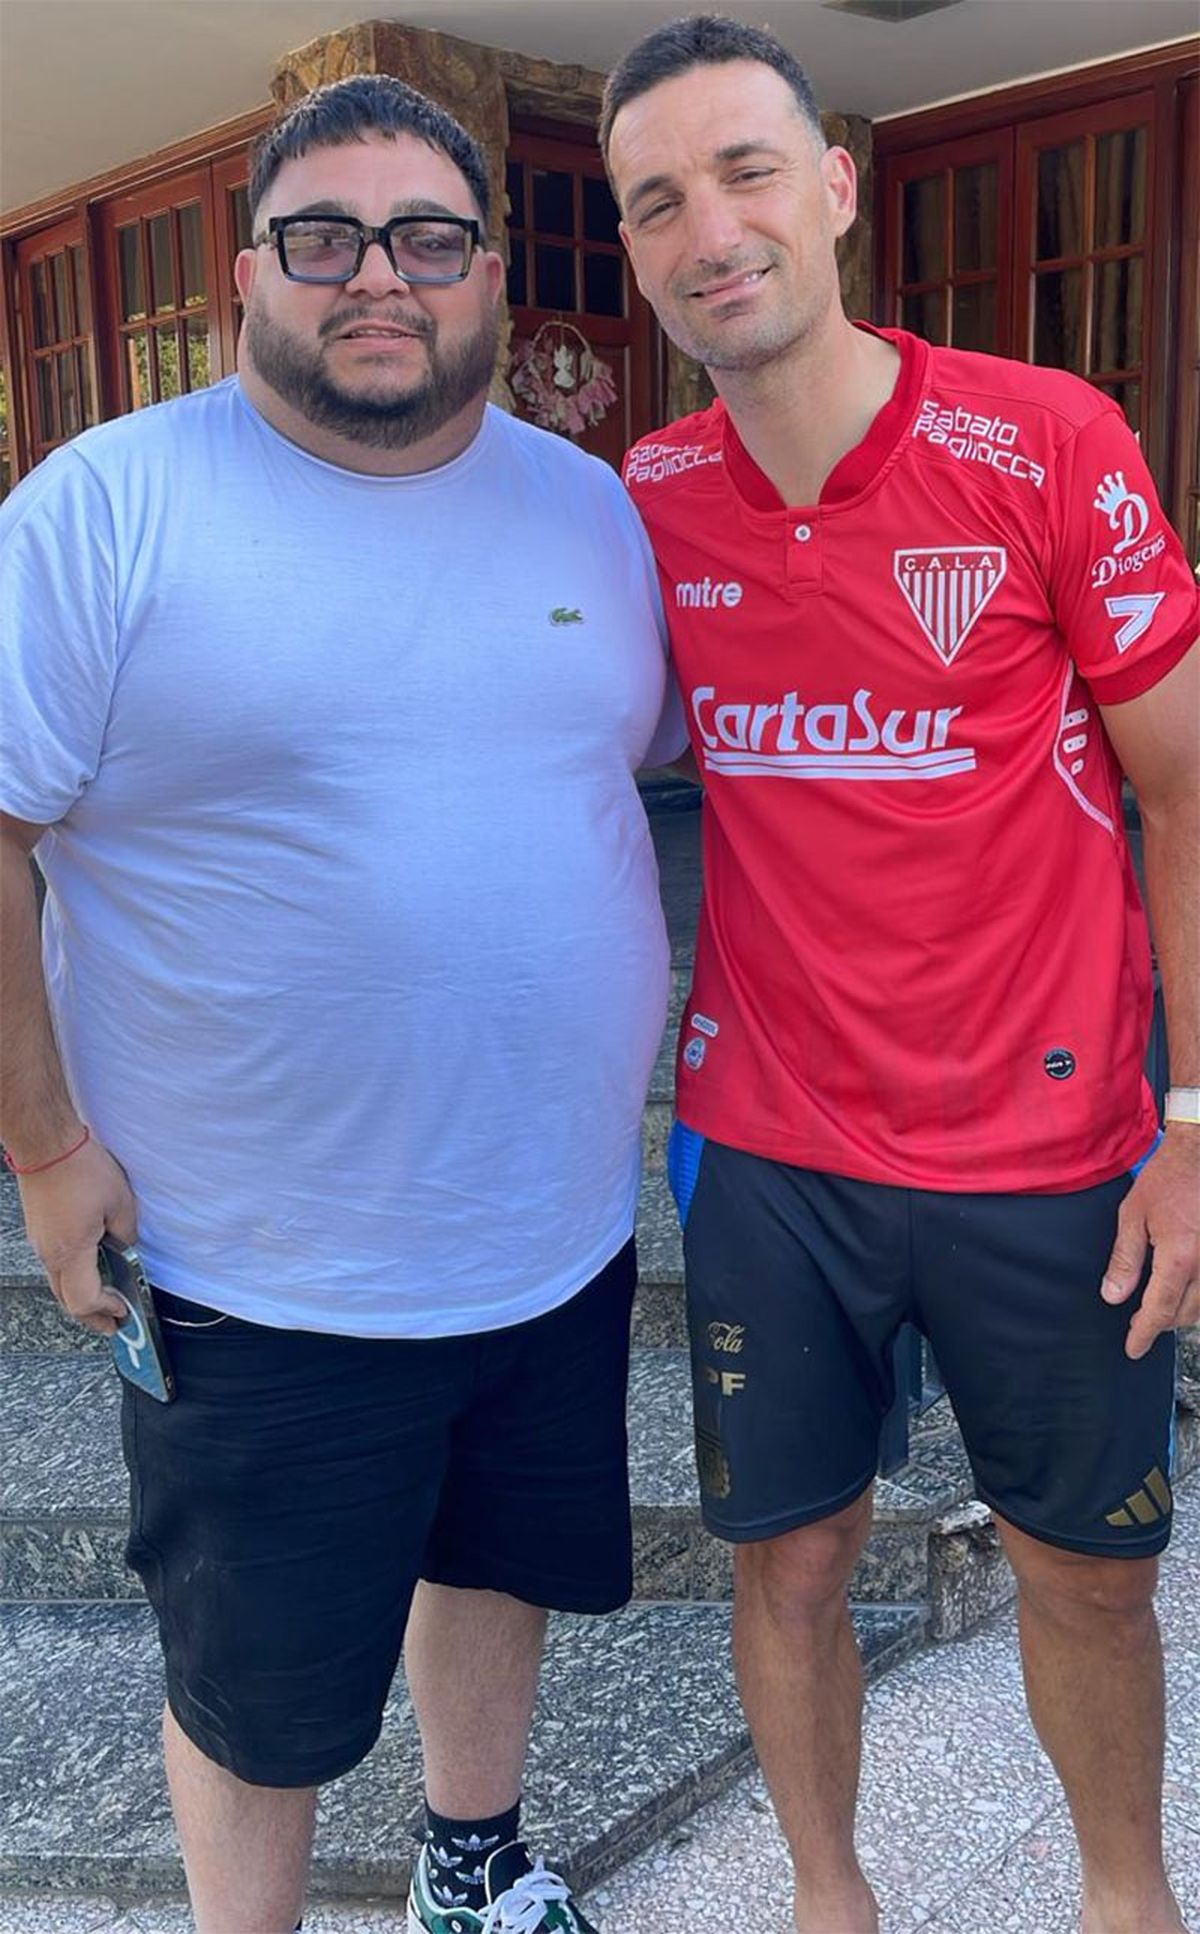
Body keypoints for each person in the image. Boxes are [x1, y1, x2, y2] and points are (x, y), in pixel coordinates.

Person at [0, 74, 685, 1934]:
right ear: (249, 276)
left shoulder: (595, 514)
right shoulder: (102, 514)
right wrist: (47, 1146)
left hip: (551, 1227)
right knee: (260, 1690)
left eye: (429, 238)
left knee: (495, 1563)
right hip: (258, 1272)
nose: (379, 276)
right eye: (327, 237)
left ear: (492, 276)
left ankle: (473, 1864)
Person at [601, 17, 1199, 1934]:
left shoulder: (1048, 441)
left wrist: (1196, 1123)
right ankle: (829, 1903)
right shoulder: (646, 498)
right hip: (771, 1148)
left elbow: (1186, 789)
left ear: (840, 184)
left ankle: (1126, 1900)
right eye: (657, 201)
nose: (713, 229)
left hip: (1053, 1146)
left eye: (749, 169)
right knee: (784, 1564)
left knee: (1090, 1572)